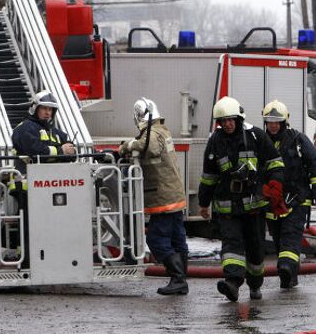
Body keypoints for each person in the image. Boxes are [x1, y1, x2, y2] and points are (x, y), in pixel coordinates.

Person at [198, 96, 285, 302]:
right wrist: (203, 202)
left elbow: (275, 163)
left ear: (238, 118)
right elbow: (209, 176)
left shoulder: (256, 136)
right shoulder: (215, 142)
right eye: (223, 121)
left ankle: (255, 285)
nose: (227, 124)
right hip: (228, 208)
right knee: (231, 245)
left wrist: (275, 185)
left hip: (254, 206)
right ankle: (232, 283)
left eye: (231, 120)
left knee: (255, 250)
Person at [119, 98, 189, 295]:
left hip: (163, 197)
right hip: (172, 194)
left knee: (156, 239)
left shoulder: (153, 132)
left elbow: (150, 148)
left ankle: (178, 279)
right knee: (177, 239)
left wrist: (127, 145)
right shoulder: (162, 130)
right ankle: (181, 280)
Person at [262, 100, 316, 289]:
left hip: (297, 199)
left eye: (277, 122)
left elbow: (315, 164)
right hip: (273, 202)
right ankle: (289, 274)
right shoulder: (260, 142)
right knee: (278, 239)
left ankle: (286, 267)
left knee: (290, 236)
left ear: (284, 122)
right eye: (270, 122)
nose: (273, 125)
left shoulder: (298, 140)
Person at [12, 91, 76, 174]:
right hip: (27, 181)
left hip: (52, 180)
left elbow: (68, 149)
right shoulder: (25, 128)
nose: (48, 112)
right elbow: (35, 152)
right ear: (35, 108)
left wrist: (71, 150)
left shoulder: (54, 131)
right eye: (44, 108)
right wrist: (61, 151)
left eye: (50, 109)